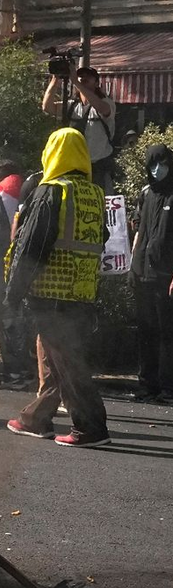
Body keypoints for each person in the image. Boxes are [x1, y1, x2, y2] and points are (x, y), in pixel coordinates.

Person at [5, 128, 109, 448]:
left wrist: (13, 292)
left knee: (68, 364)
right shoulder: (93, 193)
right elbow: (101, 238)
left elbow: (32, 246)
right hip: (83, 293)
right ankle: (35, 419)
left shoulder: (52, 191)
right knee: (61, 362)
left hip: (52, 294)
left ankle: (90, 428)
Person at [131, 143, 173, 405]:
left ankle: (168, 388)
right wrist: (132, 269)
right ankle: (147, 385)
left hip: (165, 276)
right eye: (152, 164)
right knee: (145, 332)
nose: (157, 169)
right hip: (142, 274)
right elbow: (138, 232)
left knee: (167, 334)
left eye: (162, 163)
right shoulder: (145, 194)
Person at [0, 159, 31, 387]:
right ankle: (25, 370)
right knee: (20, 319)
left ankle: (12, 373)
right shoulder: (28, 193)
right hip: (24, 265)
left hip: (1, 265)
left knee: (3, 318)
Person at [42, 65, 116, 191]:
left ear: (97, 83)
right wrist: (55, 78)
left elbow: (103, 108)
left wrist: (76, 82)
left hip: (98, 168)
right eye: (80, 76)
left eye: (88, 77)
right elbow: (47, 107)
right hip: (74, 168)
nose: (83, 78)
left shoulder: (106, 103)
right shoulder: (72, 106)